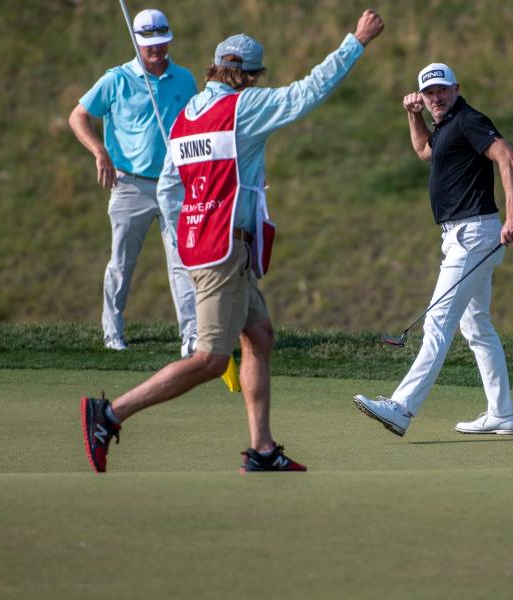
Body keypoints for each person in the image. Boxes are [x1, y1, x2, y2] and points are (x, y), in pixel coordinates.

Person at [81, 9, 386, 473]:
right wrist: (356, 42)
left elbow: (168, 186)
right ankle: (110, 414)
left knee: (258, 336)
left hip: (217, 247)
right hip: (222, 251)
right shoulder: (244, 106)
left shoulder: (187, 116)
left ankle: (262, 450)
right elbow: (307, 92)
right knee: (208, 358)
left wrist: (187, 234)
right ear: (249, 76)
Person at [354, 62, 513, 437]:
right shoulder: (445, 126)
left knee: (437, 322)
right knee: (477, 327)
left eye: (442, 91)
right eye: (429, 93)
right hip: (462, 235)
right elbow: (423, 151)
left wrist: (512, 215)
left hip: (473, 234)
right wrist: (413, 117)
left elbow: (508, 157)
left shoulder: (468, 119)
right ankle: (502, 412)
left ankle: (401, 408)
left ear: (456, 88)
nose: (436, 98)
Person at [68, 8, 198, 356]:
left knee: (182, 261)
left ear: (168, 39)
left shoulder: (185, 80)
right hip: (130, 185)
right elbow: (78, 115)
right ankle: (113, 333)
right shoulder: (116, 79)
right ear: (137, 42)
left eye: (161, 42)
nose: (156, 50)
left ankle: (192, 336)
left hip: (175, 184)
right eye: (149, 44)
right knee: (122, 262)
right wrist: (99, 151)